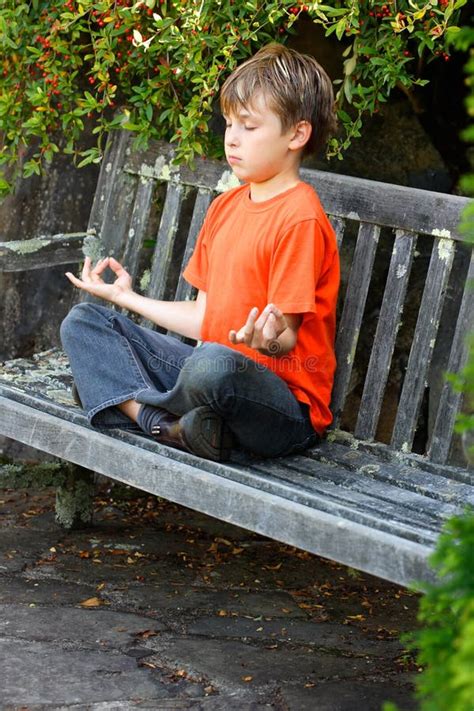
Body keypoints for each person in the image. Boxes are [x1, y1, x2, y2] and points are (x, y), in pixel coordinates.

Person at [60, 43, 340, 463]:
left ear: (297, 135)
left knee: (211, 364)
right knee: (85, 322)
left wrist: (266, 343)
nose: (232, 138)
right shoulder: (225, 206)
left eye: (248, 126)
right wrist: (126, 299)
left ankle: (126, 397)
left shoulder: (300, 217)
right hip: (209, 379)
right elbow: (202, 317)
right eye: (229, 124)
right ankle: (166, 425)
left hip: (279, 404)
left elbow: (286, 338)